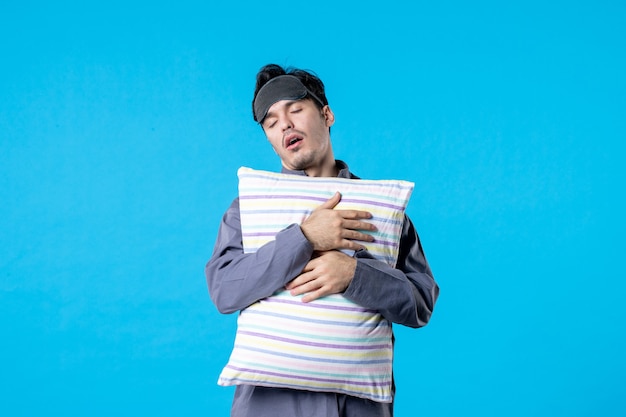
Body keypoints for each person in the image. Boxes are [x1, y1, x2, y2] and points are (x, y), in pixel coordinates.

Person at [205, 64, 439, 417]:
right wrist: (304, 237)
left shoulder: (381, 207)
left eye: (295, 109)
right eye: (270, 122)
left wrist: (353, 275)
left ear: (327, 115)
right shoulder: (248, 210)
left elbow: (420, 304)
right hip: (269, 408)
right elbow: (224, 290)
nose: (284, 124)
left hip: (358, 408)